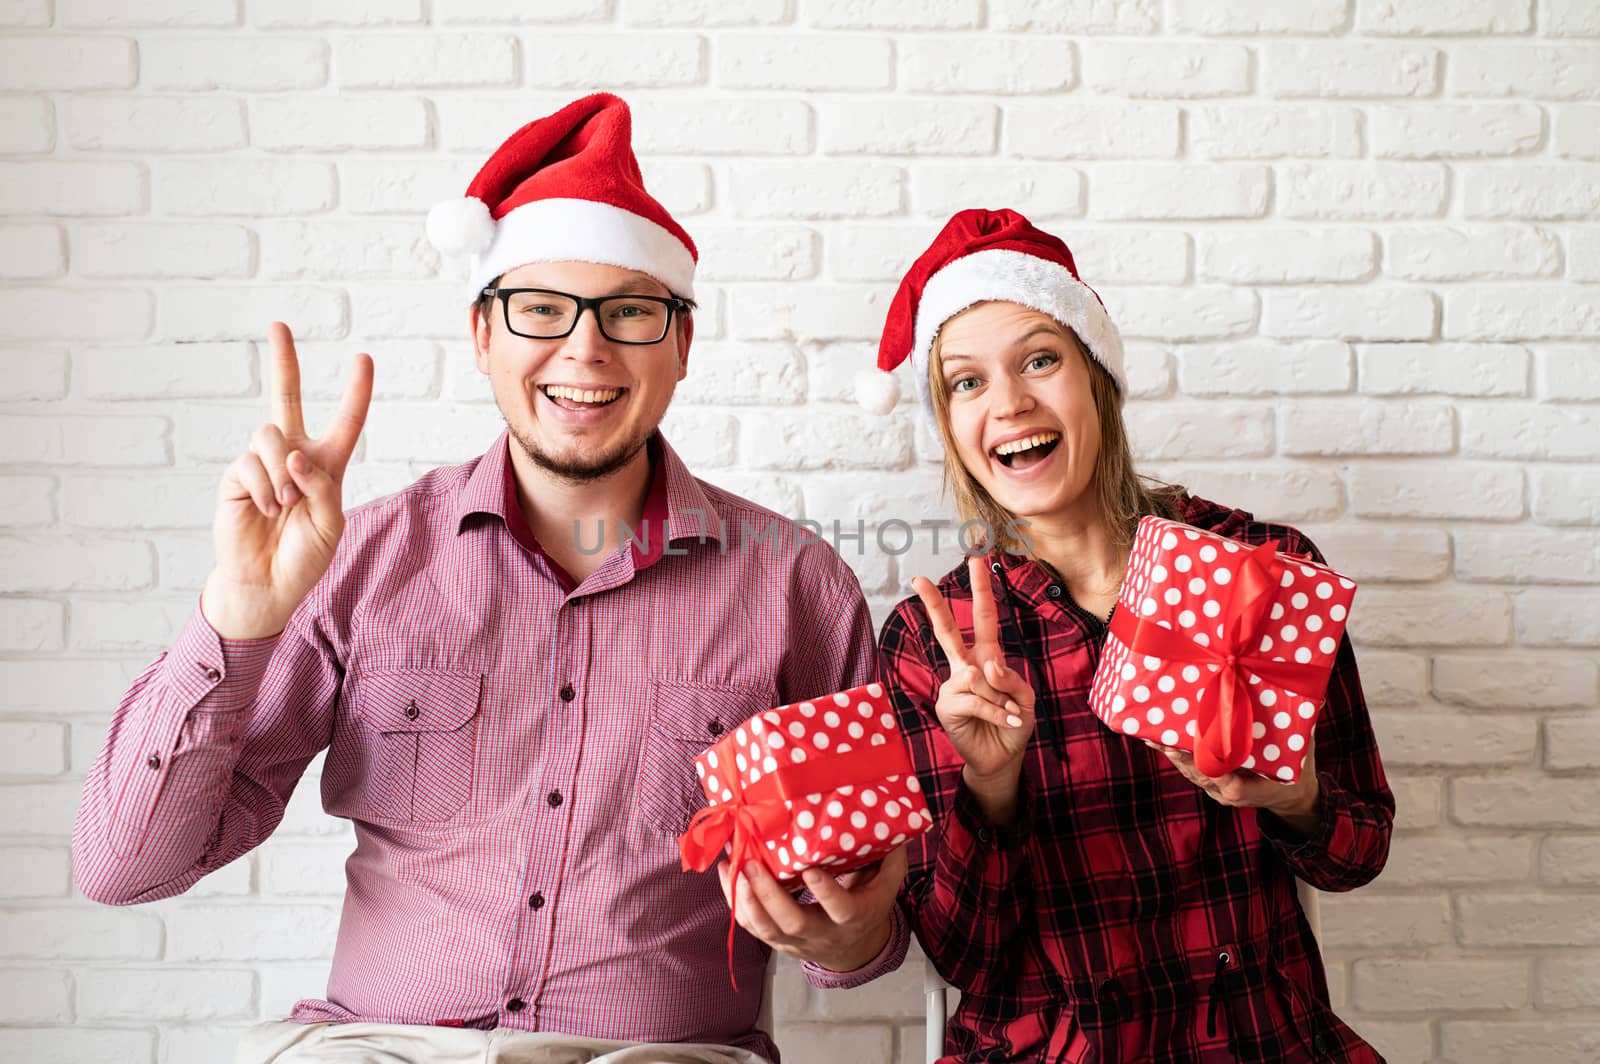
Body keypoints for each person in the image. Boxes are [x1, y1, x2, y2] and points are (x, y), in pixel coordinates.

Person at [70, 93, 902, 1064]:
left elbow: (861, 933)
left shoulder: (797, 586)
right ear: (482, 336)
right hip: (386, 1049)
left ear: (680, 342)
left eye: (630, 311)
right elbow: (123, 869)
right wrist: (239, 615)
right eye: (541, 309)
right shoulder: (360, 561)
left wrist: (843, 936)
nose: (584, 348)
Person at [859, 209, 1395, 1062]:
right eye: (966, 382)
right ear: (952, 429)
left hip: (1258, 1037)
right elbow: (964, 956)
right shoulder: (939, 642)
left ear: (1097, 377)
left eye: (1040, 359)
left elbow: (1357, 852)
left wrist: (1292, 799)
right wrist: (991, 787)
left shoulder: (1261, 569)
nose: (1009, 403)